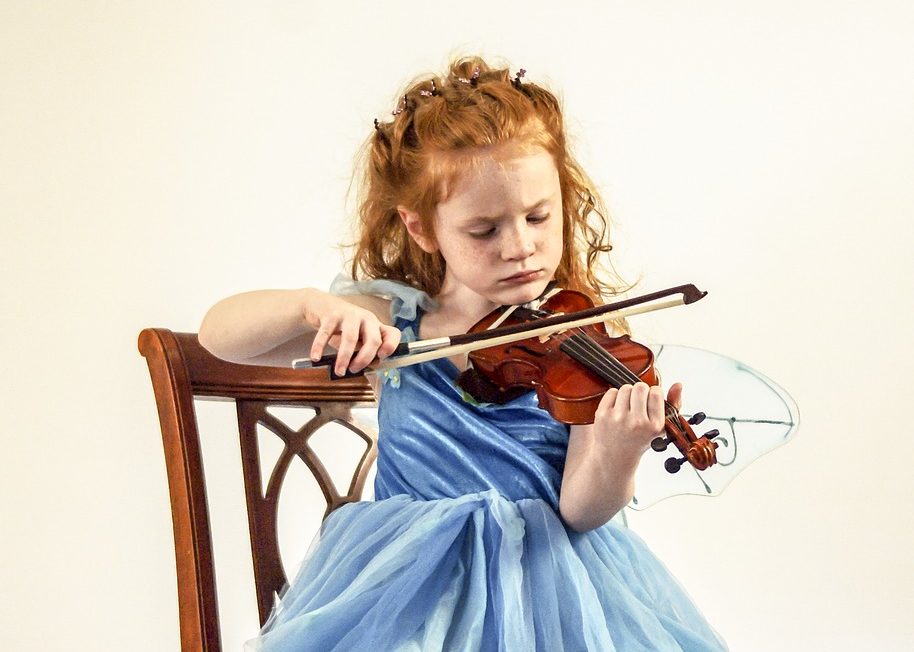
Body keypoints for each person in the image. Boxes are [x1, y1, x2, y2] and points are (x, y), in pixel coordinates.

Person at [199, 56, 727, 651]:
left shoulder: (585, 339)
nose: (520, 247)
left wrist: (619, 447)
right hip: (410, 599)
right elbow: (221, 335)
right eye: (485, 230)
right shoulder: (392, 323)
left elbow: (579, 511)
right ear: (422, 228)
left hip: (552, 594)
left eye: (538, 216)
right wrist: (310, 307)